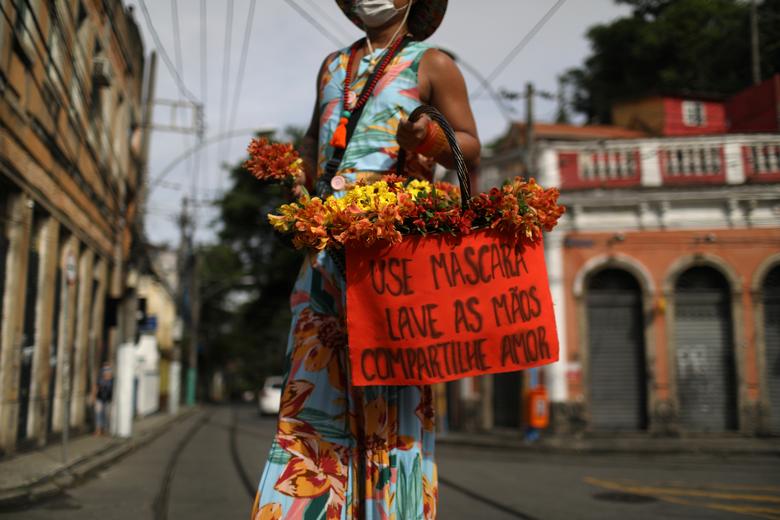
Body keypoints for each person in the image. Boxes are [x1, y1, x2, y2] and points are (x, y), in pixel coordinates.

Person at [250, 1, 480, 518]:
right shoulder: (332, 66)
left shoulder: (433, 63)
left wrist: (427, 137)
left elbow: (470, 144)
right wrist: (294, 172)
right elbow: (314, 142)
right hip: (326, 254)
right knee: (311, 395)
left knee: (392, 400)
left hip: (390, 257)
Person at [94, 363, 113, 436]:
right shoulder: (100, 379)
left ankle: (105, 430)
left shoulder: (112, 380)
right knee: (98, 414)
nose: (106, 373)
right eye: (105, 371)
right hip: (99, 399)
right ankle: (98, 430)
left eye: (108, 371)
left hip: (108, 400)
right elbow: (95, 387)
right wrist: (94, 397)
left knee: (106, 415)